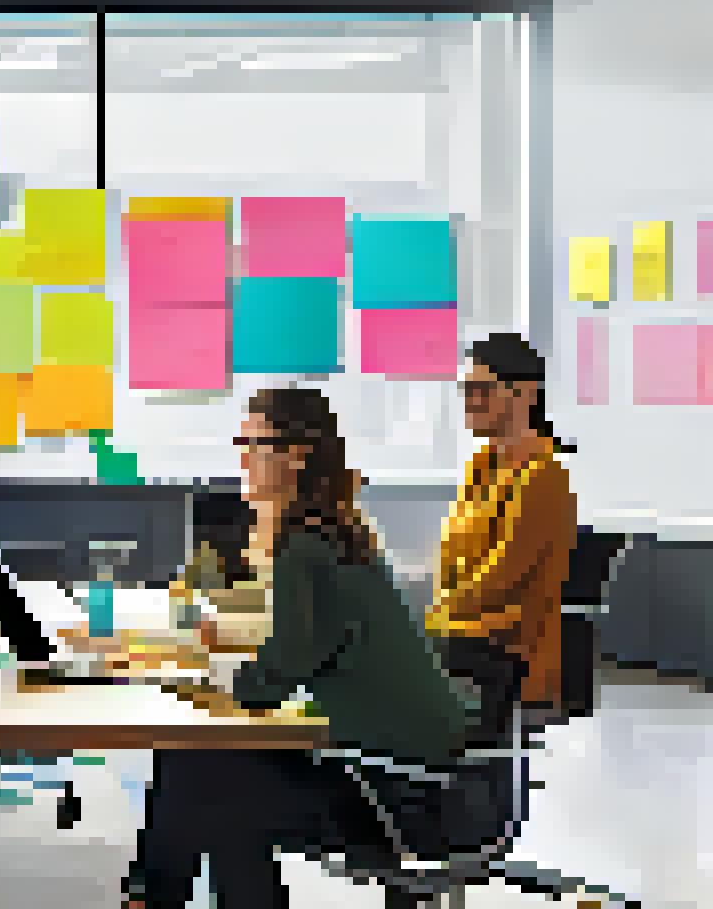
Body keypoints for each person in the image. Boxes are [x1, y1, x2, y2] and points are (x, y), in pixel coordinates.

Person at [125, 387, 473, 909]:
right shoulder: (337, 532)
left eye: (255, 442)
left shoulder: (306, 545)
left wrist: (197, 686)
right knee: (206, 766)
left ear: (297, 454)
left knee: (205, 775)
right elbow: (294, 648)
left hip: (391, 791)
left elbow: (271, 682)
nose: (242, 455)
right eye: (240, 441)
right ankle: (153, 896)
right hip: (419, 776)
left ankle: (152, 897)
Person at [430, 333, 580, 744]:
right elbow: (451, 560)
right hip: (461, 630)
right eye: (466, 390)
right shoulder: (481, 465)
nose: (470, 401)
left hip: (508, 648)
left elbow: (500, 581)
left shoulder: (542, 475)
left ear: (525, 394)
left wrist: (429, 618)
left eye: (482, 390)